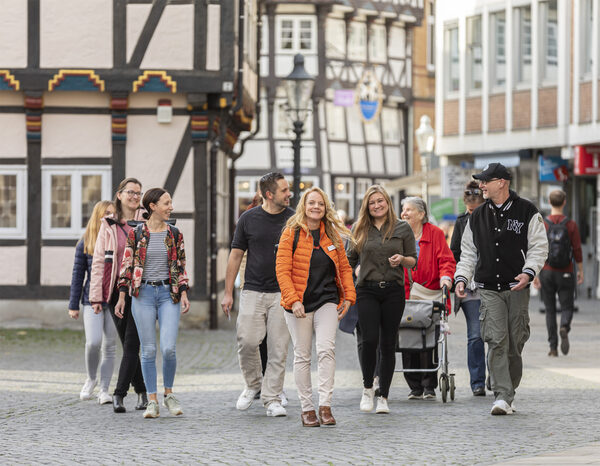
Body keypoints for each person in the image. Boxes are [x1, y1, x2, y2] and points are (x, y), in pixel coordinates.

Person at [455, 163, 548, 415]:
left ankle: (509, 391)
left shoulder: (527, 211)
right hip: (488, 288)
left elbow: (539, 246)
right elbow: (468, 253)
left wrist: (529, 273)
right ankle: (501, 396)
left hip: (516, 287)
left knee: (514, 343)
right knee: (496, 340)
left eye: (485, 181)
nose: (481, 186)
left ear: (502, 182)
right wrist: (462, 277)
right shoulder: (476, 216)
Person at [276, 187, 356, 426]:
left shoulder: (331, 235)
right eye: (311, 203)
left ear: (325, 208)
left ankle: (325, 406)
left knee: (326, 350)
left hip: (327, 300)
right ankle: (307, 408)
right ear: (304, 205)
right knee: (302, 355)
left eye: (320, 204)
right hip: (298, 304)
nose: (316, 207)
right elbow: (282, 270)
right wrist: (293, 299)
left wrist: (349, 297)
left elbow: (344, 269)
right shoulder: (291, 233)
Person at [221, 172, 293, 417]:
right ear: (269, 194)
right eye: (284, 190)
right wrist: (228, 292)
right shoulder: (248, 219)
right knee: (247, 341)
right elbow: (235, 255)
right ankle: (253, 385)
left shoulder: (294, 219)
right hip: (252, 289)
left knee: (278, 348)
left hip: (283, 293)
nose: (289, 193)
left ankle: (272, 398)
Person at [115, 188, 190, 419]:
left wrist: (184, 292)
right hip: (142, 295)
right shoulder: (136, 234)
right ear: (152, 206)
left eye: (170, 203)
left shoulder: (175, 233)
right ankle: (152, 400)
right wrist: (121, 296)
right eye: (166, 203)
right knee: (147, 350)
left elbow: (181, 265)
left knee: (168, 348)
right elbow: (127, 266)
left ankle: (169, 394)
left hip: (169, 294)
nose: (171, 207)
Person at [347, 185, 417, 414]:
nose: (377, 205)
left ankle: (383, 397)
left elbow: (413, 260)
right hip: (366, 290)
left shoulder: (403, 228)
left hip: (393, 291)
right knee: (369, 341)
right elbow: (349, 260)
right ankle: (368, 388)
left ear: (388, 202)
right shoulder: (359, 228)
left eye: (380, 201)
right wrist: (353, 276)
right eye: (372, 202)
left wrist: (402, 259)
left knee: (388, 344)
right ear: (366, 206)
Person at [90, 178, 147, 413]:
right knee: (128, 343)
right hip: (116, 291)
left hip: (143, 290)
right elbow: (99, 260)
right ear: (120, 195)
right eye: (131, 192)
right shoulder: (109, 224)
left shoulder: (146, 221)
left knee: (133, 342)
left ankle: (119, 394)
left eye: (138, 193)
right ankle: (142, 391)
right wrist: (96, 296)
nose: (135, 196)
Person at [401, 196, 455, 400]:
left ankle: (429, 385)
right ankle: (414, 386)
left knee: (428, 338)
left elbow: (446, 260)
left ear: (421, 214)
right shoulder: (399, 233)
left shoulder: (435, 233)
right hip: (405, 294)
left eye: (408, 210)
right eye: (403, 210)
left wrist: (446, 277)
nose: (404, 213)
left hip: (431, 293)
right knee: (407, 337)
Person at [69, 200, 118, 404]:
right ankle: (91, 379)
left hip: (114, 300)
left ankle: (105, 389)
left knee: (110, 345)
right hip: (92, 299)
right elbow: (78, 274)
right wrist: (73, 304)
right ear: (98, 215)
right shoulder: (86, 241)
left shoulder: (118, 239)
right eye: (107, 213)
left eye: (114, 214)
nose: (111, 217)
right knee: (93, 342)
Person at [533, 189, 584, 357]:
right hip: (566, 271)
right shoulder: (571, 224)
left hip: (547, 271)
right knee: (567, 306)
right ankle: (564, 326)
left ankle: (553, 348)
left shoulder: (543, 223)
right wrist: (580, 270)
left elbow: (538, 250)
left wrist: (535, 274)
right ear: (564, 202)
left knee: (549, 310)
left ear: (549, 201)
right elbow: (576, 249)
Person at [450, 181, 487, 396]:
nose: (472, 214)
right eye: (470, 210)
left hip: (491, 284)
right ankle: (477, 382)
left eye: (476, 210)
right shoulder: (462, 221)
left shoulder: (491, 218)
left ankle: (497, 376)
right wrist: (459, 280)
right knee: (475, 335)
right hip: (470, 287)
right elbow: (454, 251)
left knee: (494, 335)